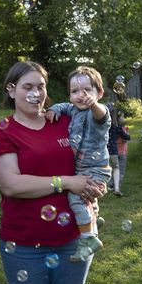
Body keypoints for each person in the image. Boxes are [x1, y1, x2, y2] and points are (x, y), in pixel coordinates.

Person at [0, 61, 105, 284]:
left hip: (73, 239)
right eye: (27, 86)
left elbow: (94, 145)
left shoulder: (63, 121)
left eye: (40, 86)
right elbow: (11, 184)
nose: (36, 93)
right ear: (11, 90)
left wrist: (94, 183)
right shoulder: (2, 132)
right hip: (24, 243)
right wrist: (68, 182)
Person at [45, 66, 111, 262]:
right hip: (81, 167)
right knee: (86, 197)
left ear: (99, 93)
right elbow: (64, 106)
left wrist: (94, 105)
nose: (81, 96)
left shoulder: (97, 112)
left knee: (76, 197)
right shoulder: (73, 108)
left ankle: (89, 238)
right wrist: (53, 109)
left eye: (87, 91)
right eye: (75, 91)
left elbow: (102, 116)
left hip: (96, 167)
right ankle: (92, 218)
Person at [107, 107, 131, 197]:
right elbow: (126, 137)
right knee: (116, 168)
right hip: (113, 151)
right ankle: (116, 188)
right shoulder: (117, 128)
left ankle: (104, 187)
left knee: (103, 169)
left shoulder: (102, 126)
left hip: (103, 151)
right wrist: (128, 135)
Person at [115, 111, 130, 192]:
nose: (124, 119)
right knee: (121, 170)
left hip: (113, 153)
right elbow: (124, 140)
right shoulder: (123, 129)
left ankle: (111, 184)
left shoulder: (112, 129)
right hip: (122, 153)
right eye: (123, 117)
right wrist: (127, 133)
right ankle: (118, 185)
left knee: (114, 169)